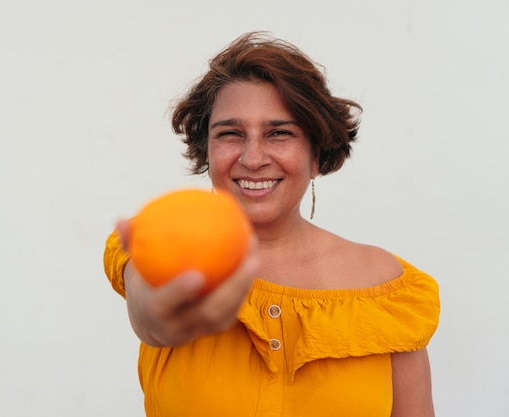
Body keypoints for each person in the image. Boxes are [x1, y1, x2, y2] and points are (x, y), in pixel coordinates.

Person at [103, 32, 440, 417]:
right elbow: (151, 319)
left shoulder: (386, 290)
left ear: (317, 154)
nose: (252, 157)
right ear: (206, 152)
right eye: (230, 134)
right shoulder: (159, 241)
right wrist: (167, 316)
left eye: (279, 133)